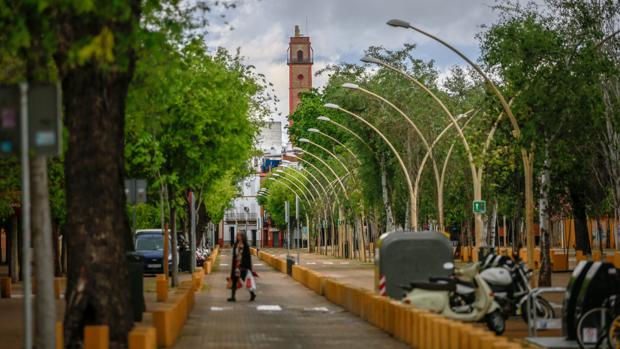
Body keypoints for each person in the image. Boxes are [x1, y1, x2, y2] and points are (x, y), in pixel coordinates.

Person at [228, 232, 256, 302]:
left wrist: (248, 267)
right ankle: (233, 297)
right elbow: (234, 256)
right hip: (236, 266)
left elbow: (248, 257)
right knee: (234, 280)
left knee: (246, 280)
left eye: (240, 235)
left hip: (243, 266)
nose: (238, 237)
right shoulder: (235, 245)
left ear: (243, 237)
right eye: (237, 235)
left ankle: (252, 294)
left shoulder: (246, 245)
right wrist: (234, 266)